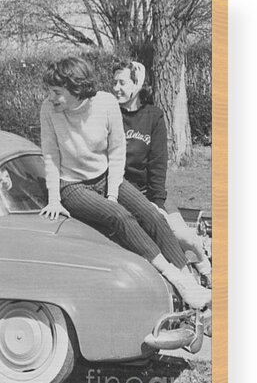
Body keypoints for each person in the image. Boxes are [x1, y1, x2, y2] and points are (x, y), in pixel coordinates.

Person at [39, 56, 210, 309]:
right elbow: (51, 155)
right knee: (120, 217)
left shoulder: (106, 104)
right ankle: (176, 279)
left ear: (76, 88)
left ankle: (189, 282)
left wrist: (111, 193)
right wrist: (54, 198)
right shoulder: (49, 110)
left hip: (107, 176)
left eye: (57, 92)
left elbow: (117, 152)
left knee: (153, 216)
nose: (51, 98)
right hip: (72, 186)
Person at [112, 60, 212, 287]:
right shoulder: (111, 114)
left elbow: (158, 163)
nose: (116, 87)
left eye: (122, 82)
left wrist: (156, 202)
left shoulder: (153, 116)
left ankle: (204, 261)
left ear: (137, 84)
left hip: (150, 193)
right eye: (114, 82)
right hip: (123, 194)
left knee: (182, 235)